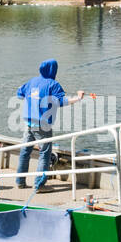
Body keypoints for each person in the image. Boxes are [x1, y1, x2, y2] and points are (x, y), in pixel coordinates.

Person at [15, 59, 83, 190]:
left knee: (25, 151)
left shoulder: (32, 81)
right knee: (44, 154)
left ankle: (20, 181)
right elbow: (61, 101)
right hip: (43, 124)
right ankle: (39, 185)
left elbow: (19, 93)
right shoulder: (53, 84)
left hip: (29, 122)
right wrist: (78, 98)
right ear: (53, 70)